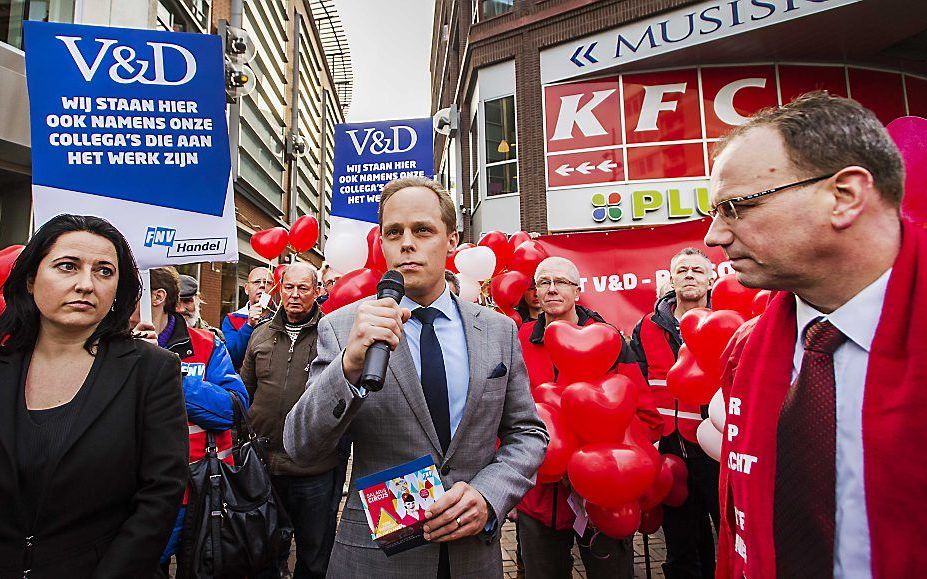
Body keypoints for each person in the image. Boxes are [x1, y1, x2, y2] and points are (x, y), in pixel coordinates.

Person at [704, 92, 927, 578]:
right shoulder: (748, 350)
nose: (714, 237)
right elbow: (738, 524)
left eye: (736, 207)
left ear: (845, 195)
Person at [283, 176, 548, 578]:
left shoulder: (497, 330)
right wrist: (349, 366)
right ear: (383, 244)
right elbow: (301, 446)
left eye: (422, 230)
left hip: (473, 556)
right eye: (394, 233)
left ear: (452, 240)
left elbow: (528, 433)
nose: (407, 243)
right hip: (377, 560)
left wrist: (489, 495)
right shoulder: (343, 328)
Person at [0, 214, 188, 578]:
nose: (86, 284)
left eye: (104, 271)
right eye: (67, 267)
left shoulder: (150, 370)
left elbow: (161, 494)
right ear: (30, 278)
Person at [515, 256, 663, 579]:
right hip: (537, 498)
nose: (552, 289)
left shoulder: (608, 340)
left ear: (578, 291)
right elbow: (504, 412)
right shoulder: (519, 340)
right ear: (535, 293)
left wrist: (600, 455)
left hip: (602, 498)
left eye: (562, 282)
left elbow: (646, 415)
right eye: (543, 283)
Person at [134, 266, 250, 567]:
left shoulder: (207, 345)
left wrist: (169, 373)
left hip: (202, 494)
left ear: (156, 297)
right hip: (139, 497)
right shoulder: (113, 345)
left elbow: (233, 410)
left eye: (129, 293)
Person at [241, 262, 337, 579]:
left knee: (313, 555)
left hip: (313, 468)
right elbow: (245, 391)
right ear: (280, 290)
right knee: (264, 548)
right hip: (264, 465)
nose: (294, 295)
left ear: (318, 292)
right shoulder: (260, 335)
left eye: (303, 288)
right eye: (288, 287)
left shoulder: (332, 335)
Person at [630, 248, 719, 578]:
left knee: (727, 533)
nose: (690, 276)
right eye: (682, 271)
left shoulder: (728, 322)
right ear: (671, 279)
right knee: (681, 541)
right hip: (669, 450)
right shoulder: (647, 327)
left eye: (697, 270)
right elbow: (637, 384)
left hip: (716, 451)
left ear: (711, 279)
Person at [222, 266, 274, 369]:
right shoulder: (232, 319)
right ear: (246, 288)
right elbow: (231, 357)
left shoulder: (283, 317)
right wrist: (249, 325)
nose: (262, 286)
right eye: (256, 282)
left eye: (267, 282)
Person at [177, 273, 225, 341]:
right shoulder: (158, 335)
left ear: (197, 300)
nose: (181, 309)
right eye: (176, 303)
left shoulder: (213, 337)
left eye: (187, 301)